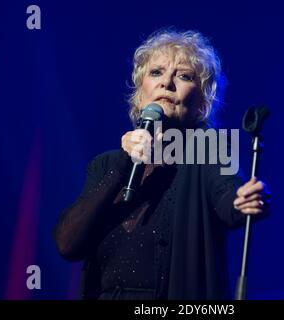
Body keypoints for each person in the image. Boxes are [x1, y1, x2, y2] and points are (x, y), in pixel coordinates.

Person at [53, 29, 270, 300]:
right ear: (140, 93)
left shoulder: (207, 148)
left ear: (203, 100)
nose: (166, 83)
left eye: (184, 75)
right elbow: (67, 244)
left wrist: (241, 200)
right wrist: (125, 160)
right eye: (156, 72)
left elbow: (227, 193)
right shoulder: (105, 164)